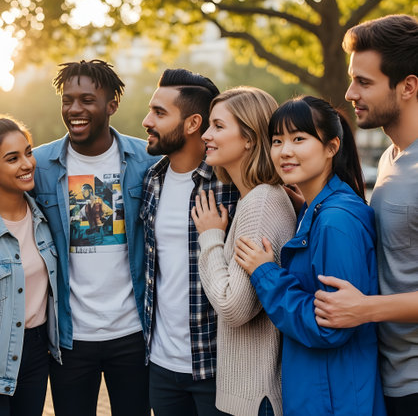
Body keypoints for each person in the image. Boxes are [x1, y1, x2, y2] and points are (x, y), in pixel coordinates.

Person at [0, 60, 157, 416]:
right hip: (69, 339)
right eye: (68, 99)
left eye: (87, 99)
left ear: (111, 105)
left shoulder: (145, 161)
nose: (75, 109)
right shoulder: (40, 163)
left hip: (133, 334)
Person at [235, 96, 386, 415]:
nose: (284, 151)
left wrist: (265, 273)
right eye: (277, 140)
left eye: (299, 139)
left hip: (335, 400)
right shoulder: (314, 209)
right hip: (323, 392)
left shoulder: (336, 222)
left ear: (332, 147)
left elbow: (330, 325)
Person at [313, 14, 418, 415]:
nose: (350, 91)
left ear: (408, 86)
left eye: (365, 82)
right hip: (387, 375)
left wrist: (366, 309)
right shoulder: (393, 157)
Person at [191, 87, 296, 415]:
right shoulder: (255, 198)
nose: (206, 135)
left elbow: (233, 306)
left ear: (249, 138)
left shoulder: (261, 202)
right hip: (250, 397)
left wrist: (210, 239)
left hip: (256, 400)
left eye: (219, 126)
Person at [140, 68, 239, 415]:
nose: (146, 121)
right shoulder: (151, 180)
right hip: (161, 366)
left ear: (193, 123)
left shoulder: (231, 185)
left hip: (217, 365)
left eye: (159, 113)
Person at [0, 106, 60, 416]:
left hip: (37, 356)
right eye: (12, 158)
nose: (27, 164)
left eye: (28, 152)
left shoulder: (46, 219)